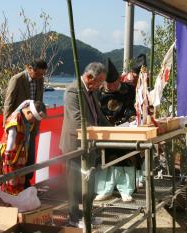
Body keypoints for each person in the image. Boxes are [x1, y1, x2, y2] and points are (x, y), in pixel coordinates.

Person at [59, 62, 109, 225]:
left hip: (91, 144)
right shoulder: (73, 90)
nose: (100, 86)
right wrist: (97, 132)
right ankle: (74, 218)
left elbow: (98, 115)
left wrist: (114, 129)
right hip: (75, 145)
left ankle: (87, 215)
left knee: (90, 184)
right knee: (75, 185)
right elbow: (78, 120)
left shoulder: (92, 91)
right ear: (88, 77)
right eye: (99, 82)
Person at [94, 59, 139, 202]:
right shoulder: (98, 93)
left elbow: (133, 109)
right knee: (104, 159)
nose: (112, 86)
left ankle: (126, 190)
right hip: (105, 130)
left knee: (125, 158)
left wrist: (127, 120)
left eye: (114, 83)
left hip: (124, 129)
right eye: (109, 84)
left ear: (119, 78)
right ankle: (104, 190)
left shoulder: (129, 90)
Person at [3, 59, 47, 188]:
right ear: (29, 68)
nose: (40, 77)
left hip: (32, 123)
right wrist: (7, 123)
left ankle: (27, 180)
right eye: (38, 74)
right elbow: (8, 103)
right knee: (16, 155)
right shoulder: (17, 79)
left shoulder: (40, 80)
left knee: (30, 155)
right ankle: (14, 183)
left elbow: (40, 102)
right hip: (18, 123)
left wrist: (37, 125)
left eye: (42, 75)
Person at [1, 100, 47, 195]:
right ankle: (10, 206)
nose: (33, 121)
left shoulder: (28, 120)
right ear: (29, 112)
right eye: (33, 118)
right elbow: (11, 137)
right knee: (11, 185)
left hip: (20, 158)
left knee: (20, 185)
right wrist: (8, 156)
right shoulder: (16, 117)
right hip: (11, 157)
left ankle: (19, 205)